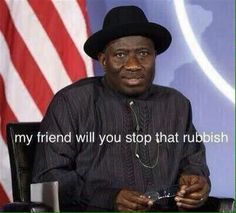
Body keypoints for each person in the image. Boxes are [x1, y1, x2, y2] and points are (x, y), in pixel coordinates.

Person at [33, 6, 210, 211]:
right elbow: (46, 179)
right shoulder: (72, 102)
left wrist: (196, 184)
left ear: (154, 57)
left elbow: (194, 164)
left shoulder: (176, 104)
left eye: (143, 53)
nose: (133, 64)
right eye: (120, 54)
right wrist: (108, 198)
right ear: (103, 60)